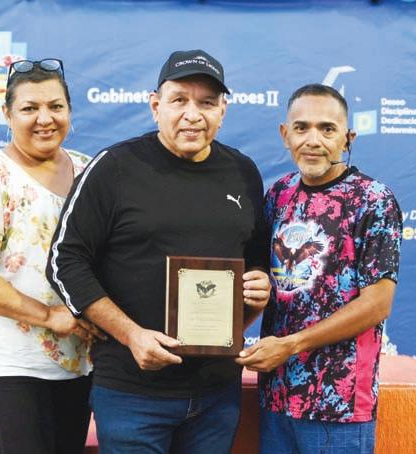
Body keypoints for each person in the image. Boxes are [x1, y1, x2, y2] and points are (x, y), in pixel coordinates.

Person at [46, 49, 271, 454]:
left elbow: (256, 262)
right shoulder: (115, 167)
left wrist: (260, 286)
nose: (192, 114)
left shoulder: (243, 172)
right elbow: (65, 261)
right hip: (133, 394)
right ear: (155, 106)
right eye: (179, 100)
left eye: (206, 103)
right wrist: (131, 335)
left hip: (217, 394)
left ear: (223, 110)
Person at [0, 58, 102, 454]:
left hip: (79, 361)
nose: (45, 118)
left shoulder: (89, 171)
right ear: (8, 114)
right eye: (30, 108)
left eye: (56, 106)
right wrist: (49, 316)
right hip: (12, 365)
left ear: (69, 111)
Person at [236, 83, 403, 453]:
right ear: (285, 135)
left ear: (347, 138)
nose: (313, 140)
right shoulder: (278, 194)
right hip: (277, 396)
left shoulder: (373, 200)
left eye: (327, 129)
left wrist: (291, 345)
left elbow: (377, 304)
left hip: (338, 404)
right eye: (302, 128)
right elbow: (264, 282)